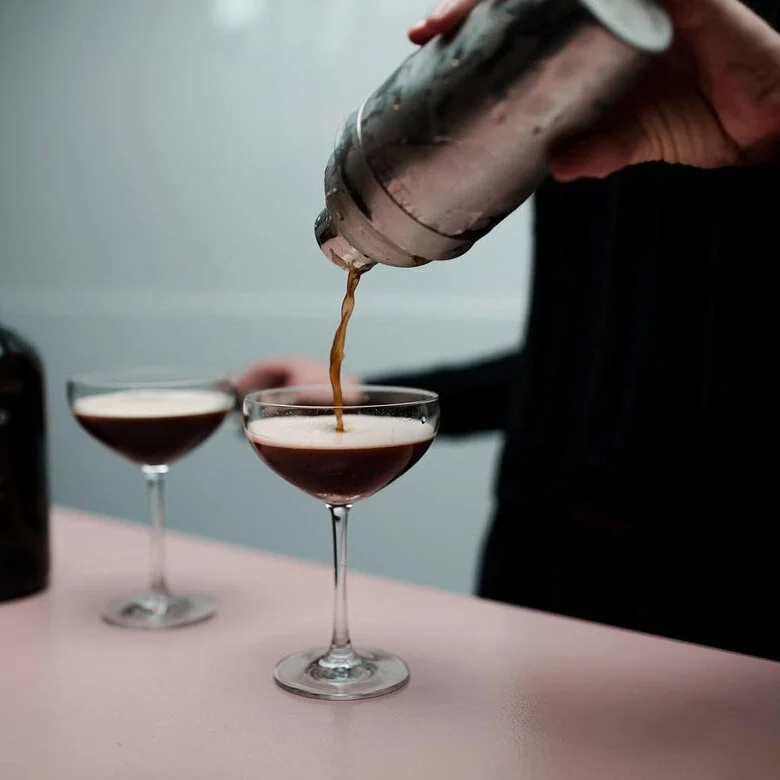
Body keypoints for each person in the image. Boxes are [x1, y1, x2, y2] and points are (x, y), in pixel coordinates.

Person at [238, 0, 780, 661]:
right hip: (538, 550)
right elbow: (578, 355)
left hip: (722, 578)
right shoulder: (575, 43)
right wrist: (363, 393)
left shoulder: (745, 53)